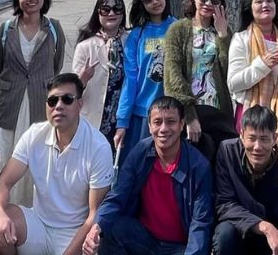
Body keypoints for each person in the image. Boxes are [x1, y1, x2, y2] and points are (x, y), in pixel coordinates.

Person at [0, 74, 113, 255]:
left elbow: (94, 215)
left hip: (74, 233)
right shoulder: (34, 135)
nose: (59, 106)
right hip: (38, 225)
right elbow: (3, 183)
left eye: (67, 99)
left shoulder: (99, 147)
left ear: (80, 104)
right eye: (52, 101)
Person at [81, 97, 213, 255]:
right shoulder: (140, 152)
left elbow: (200, 223)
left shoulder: (199, 166)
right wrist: (97, 226)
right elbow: (118, 195)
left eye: (171, 121)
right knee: (111, 229)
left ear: (181, 125)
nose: (163, 129)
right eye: (157, 122)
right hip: (144, 238)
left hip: (179, 247)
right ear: (149, 126)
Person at [0, 0, 67, 206]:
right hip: (10, 104)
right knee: (5, 156)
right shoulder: (6, 29)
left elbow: (57, 65)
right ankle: (2, 205)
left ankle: (30, 210)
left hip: (40, 102)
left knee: (37, 158)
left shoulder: (54, 28)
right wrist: (13, 85)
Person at [212, 106, 278, 255]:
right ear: (242, 135)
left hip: (276, 246)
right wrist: (265, 227)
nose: (257, 147)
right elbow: (224, 204)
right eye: (252, 138)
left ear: (275, 139)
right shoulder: (227, 152)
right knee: (225, 233)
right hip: (243, 235)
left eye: (264, 139)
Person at [226, 0, 278, 188]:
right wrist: (263, 65)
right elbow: (233, 83)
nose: (265, 5)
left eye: (269, 0)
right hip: (250, 116)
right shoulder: (241, 39)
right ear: (249, 8)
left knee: (275, 181)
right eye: (258, 1)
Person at [163, 0, 236, 165]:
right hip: (191, 112)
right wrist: (188, 115)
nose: (208, 3)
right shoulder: (178, 29)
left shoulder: (225, 32)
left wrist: (222, 36)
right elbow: (173, 75)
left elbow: (231, 73)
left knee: (220, 171)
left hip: (219, 113)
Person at [114, 0, 176, 154]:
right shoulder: (136, 35)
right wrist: (122, 121)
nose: (155, 1)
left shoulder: (178, 28)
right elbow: (131, 80)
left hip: (172, 114)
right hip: (143, 115)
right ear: (141, 4)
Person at [73, 0, 129, 150]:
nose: (111, 13)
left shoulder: (131, 41)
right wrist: (83, 79)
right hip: (93, 118)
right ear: (98, 13)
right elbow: (72, 92)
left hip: (122, 119)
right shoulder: (85, 46)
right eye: (105, 9)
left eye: (117, 9)